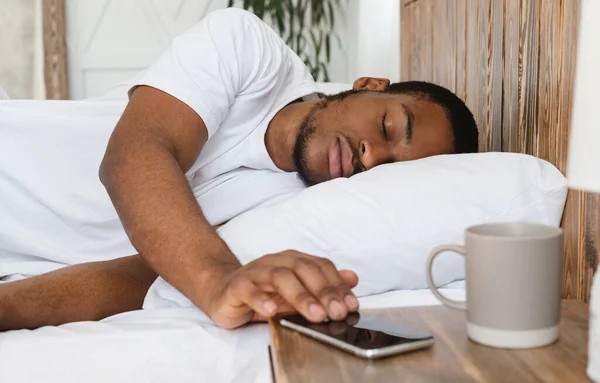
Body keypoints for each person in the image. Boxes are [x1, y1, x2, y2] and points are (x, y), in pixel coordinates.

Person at [0, 8, 478, 331]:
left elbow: (146, 274)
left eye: (389, 169)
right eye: (389, 127)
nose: (371, 156)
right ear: (369, 85)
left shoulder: (302, 212)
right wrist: (217, 281)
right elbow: (135, 156)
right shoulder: (249, 51)